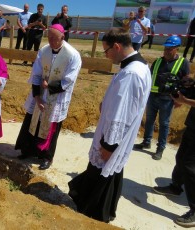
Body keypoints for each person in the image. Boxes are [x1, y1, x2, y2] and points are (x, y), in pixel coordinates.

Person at [68, 28, 151, 223]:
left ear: (117, 46)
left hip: (112, 139)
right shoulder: (139, 65)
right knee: (110, 173)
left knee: (101, 176)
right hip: (117, 137)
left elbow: (121, 114)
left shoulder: (131, 73)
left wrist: (108, 146)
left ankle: (94, 216)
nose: (106, 56)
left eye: (106, 51)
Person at [15, 24, 82, 170]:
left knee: (50, 126)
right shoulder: (44, 50)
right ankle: (27, 150)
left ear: (62, 37)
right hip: (40, 92)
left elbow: (69, 80)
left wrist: (49, 86)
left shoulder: (73, 55)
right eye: (49, 37)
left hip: (56, 97)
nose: (50, 41)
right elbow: (36, 74)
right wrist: (37, 96)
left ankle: (46, 157)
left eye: (54, 38)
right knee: (32, 121)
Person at [134, 36, 190, 160]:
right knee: (149, 120)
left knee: (164, 124)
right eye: (165, 48)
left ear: (177, 49)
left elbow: (185, 82)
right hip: (153, 96)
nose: (167, 51)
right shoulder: (158, 61)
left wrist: (181, 98)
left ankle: (160, 148)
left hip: (168, 99)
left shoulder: (183, 63)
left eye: (170, 49)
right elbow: (149, 77)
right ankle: (146, 142)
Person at [153, 89, 195, 228]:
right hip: (192, 126)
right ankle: (175, 187)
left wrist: (184, 101)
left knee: (190, 165)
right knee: (181, 157)